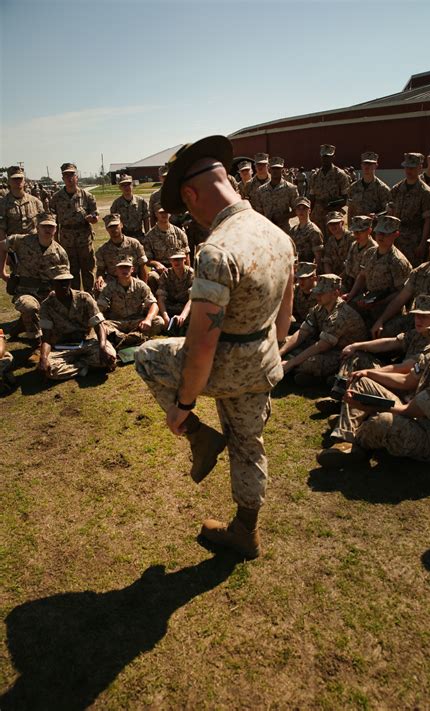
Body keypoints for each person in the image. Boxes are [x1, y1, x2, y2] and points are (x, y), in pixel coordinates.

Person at [134, 135, 294, 559]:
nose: (193, 217)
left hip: (223, 364)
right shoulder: (277, 234)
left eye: (187, 207)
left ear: (190, 193)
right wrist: (264, 357)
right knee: (248, 445)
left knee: (148, 356)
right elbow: (283, 319)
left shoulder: (218, 250)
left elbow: (201, 345)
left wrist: (184, 407)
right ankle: (246, 530)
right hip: (261, 363)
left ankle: (199, 438)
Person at [317, 311, 430, 467]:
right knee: (362, 381)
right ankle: (346, 440)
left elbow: (408, 411)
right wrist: (369, 373)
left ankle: (358, 432)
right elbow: (406, 380)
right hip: (415, 414)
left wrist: (367, 407)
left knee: (384, 422)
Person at [279, 274, 367, 386]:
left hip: (343, 355)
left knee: (309, 364)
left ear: (335, 294)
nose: (317, 296)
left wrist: (291, 362)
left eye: (321, 293)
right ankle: (298, 371)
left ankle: (323, 380)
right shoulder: (319, 307)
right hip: (326, 349)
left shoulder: (341, 315)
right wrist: (280, 352)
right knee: (284, 343)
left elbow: (322, 346)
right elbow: (303, 332)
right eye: (317, 292)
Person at [0, 212, 69, 345]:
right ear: (37, 227)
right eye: (44, 226)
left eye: (51, 227)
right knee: (29, 307)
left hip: (48, 294)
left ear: (55, 229)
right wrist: (2, 272)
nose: (48, 230)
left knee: (62, 327)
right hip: (25, 291)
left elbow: (64, 279)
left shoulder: (60, 253)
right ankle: (36, 340)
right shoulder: (21, 241)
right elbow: (1, 246)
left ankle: (21, 325)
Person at [38, 267, 116, 381]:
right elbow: (46, 337)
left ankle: (75, 366)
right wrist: (43, 358)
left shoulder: (84, 298)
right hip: (62, 346)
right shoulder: (46, 306)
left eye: (66, 281)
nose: (64, 285)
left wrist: (102, 347)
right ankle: (85, 367)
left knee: (110, 356)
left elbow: (99, 325)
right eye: (59, 282)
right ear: (52, 284)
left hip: (86, 342)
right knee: (50, 370)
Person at [344, 215, 412, 330]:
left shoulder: (398, 261)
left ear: (396, 234)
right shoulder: (370, 252)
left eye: (386, 233)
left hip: (387, 309)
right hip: (368, 301)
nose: (381, 236)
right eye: (379, 232)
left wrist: (378, 303)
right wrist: (351, 294)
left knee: (382, 334)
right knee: (344, 312)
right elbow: (362, 276)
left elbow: (401, 294)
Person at [50, 163, 99, 293]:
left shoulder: (87, 196)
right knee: (71, 272)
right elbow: (52, 221)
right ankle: (75, 298)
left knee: (88, 271)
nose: (69, 178)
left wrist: (92, 218)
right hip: (66, 240)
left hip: (84, 239)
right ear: (62, 178)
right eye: (66, 175)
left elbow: (95, 215)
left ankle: (90, 298)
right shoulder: (56, 198)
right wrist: (55, 241)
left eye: (72, 175)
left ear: (77, 177)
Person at [97, 258, 163, 348]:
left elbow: (154, 305)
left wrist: (148, 320)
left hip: (137, 323)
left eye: (127, 268)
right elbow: (100, 307)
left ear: (132, 270)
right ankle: (135, 338)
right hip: (117, 323)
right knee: (101, 326)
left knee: (158, 321)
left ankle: (121, 339)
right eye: (121, 268)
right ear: (116, 271)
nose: (124, 270)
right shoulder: (109, 287)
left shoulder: (141, 285)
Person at [389, 152, 430, 265]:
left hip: (414, 240)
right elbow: (392, 214)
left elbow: (427, 221)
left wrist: (423, 244)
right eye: (407, 167)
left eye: (412, 168)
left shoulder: (425, 192)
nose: (409, 171)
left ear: (420, 168)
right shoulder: (397, 189)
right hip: (397, 238)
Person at [143, 204, 190, 294]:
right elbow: (147, 260)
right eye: (161, 212)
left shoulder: (179, 233)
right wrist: (156, 264)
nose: (164, 215)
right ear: (156, 214)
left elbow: (186, 255)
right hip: (161, 269)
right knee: (152, 276)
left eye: (166, 212)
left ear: (170, 214)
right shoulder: (150, 236)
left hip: (178, 267)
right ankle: (157, 303)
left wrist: (187, 270)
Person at [94, 213, 148, 293]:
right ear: (107, 229)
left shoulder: (134, 244)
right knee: (99, 289)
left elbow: (142, 266)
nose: (113, 229)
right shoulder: (102, 250)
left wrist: (144, 286)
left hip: (132, 279)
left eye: (116, 225)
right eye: (110, 227)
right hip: (112, 281)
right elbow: (100, 269)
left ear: (121, 225)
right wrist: (99, 277)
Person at [308, 145, 350, 237]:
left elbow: (344, 199)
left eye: (328, 157)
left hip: (334, 218)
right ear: (321, 157)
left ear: (333, 157)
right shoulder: (315, 176)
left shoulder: (340, 175)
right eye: (324, 156)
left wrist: (330, 204)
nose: (325, 159)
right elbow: (312, 198)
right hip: (317, 217)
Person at [254, 156, 299, 233]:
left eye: (278, 168)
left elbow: (297, 210)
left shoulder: (290, 189)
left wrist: (283, 217)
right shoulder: (261, 190)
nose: (275, 171)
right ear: (269, 169)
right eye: (273, 168)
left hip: (284, 231)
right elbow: (258, 212)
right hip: (267, 230)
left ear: (282, 170)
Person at [0, 166, 43, 241]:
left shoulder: (36, 202)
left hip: (34, 247)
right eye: (14, 179)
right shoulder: (3, 204)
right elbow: (1, 230)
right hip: (13, 247)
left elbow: (43, 225)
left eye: (20, 178)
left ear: (24, 181)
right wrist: (4, 250)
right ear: (8, 181)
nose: (18, 181)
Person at [155, 251, 194, 332]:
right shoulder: (166, 274)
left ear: (184, 260)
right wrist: (165, 316)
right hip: (170, 307)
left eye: (179, 259)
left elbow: (192, 298)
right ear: (170, 261)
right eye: (173, 260)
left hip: (186, 307)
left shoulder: (191, 273)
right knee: (155, 315)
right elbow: (161, 298)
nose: (176, 262)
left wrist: (183, 315)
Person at [347, 152, 390, 224]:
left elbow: (387, 211)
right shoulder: (353, 188)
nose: (367, 166)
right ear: (361, 165)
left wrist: (376, 215)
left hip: (374, 228)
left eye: (370, 164)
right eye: (365, 164)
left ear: (376, 166)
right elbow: (351, 210)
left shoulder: (382, 189)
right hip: (357, 229)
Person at [110, 174, 150, 242]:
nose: (126, 187)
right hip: (124, 238)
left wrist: (147, 236)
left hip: (139, 237)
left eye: (128, 184)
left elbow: (146, 219)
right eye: (123, 185)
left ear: (132, 185)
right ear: (120, 187)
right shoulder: (116, 204)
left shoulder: (141, 201)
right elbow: (114, 223)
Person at [343, 215, 377, 292]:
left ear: (369, 231)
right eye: (355, 231)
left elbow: (367, 277)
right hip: (349, 283)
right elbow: (347, 268)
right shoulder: (354, 244)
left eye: (360, 231)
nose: (356, 234)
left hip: (364, 288)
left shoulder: (373, 249)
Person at [289, 197, 324, 265]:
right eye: (299, 208)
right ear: (296, 211)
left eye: (304, 208)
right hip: (295, 266)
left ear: (309, 211)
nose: (301, 211)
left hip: (307, 269)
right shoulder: (293, 230)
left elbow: (318, 257)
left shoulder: (314, 231)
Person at [322, 211, 353, 275]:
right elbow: (327, 261)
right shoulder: (330, 240)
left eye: (336, 223)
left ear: (342, 223)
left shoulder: (351, 238)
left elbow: (353, 262)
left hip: (349, 276)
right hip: (334, 276)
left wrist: (340, 278)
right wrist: (330, 276)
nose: (333, 226)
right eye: (330, 224)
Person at [292, 262, 318, 327]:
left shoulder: (322, 293)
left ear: (314, 278)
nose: (300, 281)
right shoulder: (295, 290)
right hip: (299, 324)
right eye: (299, 278)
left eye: (304, 278)